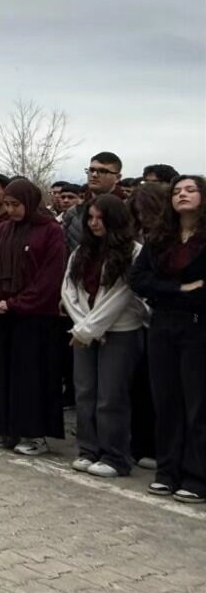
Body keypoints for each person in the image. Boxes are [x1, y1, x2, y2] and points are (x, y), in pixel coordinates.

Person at [0, 178, 68, 456]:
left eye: (16, 205)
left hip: (34, 317)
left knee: (30, 377)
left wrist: (17, 303)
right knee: (1, 373)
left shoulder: (50, 231)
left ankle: (33, 433)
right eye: (8, 204)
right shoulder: (2, 230)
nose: (11, 210)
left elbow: (50, 276)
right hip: (1, 313)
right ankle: (5, 428)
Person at [129, 175, 206, 502]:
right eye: (176, 191)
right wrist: (179, 288)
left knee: (197, 404)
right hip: (162, 326)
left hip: (198, 326)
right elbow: (138, 279)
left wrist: (175, 292)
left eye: (190, 190)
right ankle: (167, 471)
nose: (182, 195)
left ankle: (197, 476)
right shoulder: (160, 238)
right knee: (166, 401)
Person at [62, 194, 147, 478]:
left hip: (119, 331)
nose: (94, 223)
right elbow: (69, 290)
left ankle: (115, 456)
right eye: (90, 218)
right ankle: (88, 449)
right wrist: (83, 326)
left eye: (101, 218)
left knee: (111, 396)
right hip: (83, 333)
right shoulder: (82, 251)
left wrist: (90, 329)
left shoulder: (133, 252)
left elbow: (121, 295)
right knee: (85, 392)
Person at [128, 182, 169, 468]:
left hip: (174, 320)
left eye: (146, 212)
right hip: (145, 320)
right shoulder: (143, 241)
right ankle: (142, 445)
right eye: (137, 213)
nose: (142, 218)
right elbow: (137, 279)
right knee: (142, 387)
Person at [64, 151, 123, 252]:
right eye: (91, 170)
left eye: (103, 171)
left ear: (117, 178)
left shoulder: (128, 209)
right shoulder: (73, 212)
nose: (94, 175)